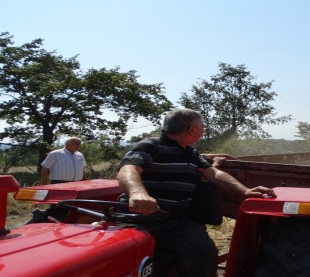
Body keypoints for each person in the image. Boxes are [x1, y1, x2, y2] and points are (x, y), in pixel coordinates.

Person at [117, 109, 276, 277]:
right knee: (140, 262)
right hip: (143, 218)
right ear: (192, 130)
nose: (204, 129)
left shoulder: (190, 153)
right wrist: (137, 194)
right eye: (202, 126)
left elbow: (213, 173)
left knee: (204, 253)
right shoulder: (151, 145)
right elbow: (127, 169)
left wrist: (244, 191)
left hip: (177, 221)